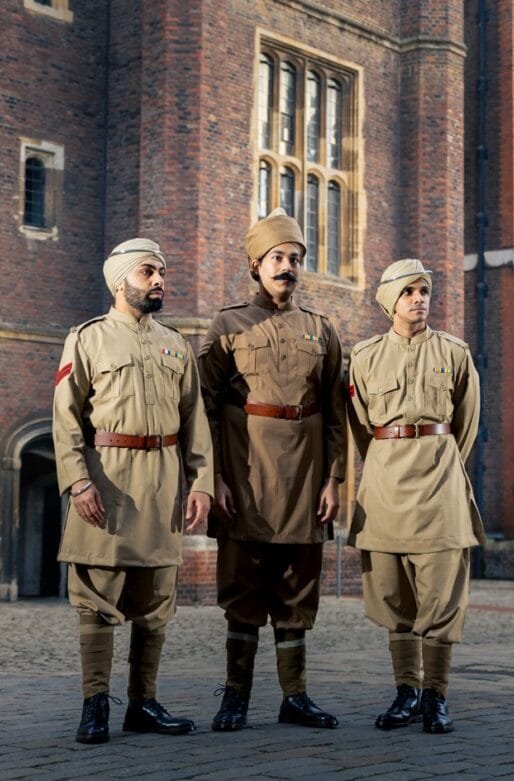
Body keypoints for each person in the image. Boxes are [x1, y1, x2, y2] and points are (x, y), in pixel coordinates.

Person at [53, 238, 214, 744]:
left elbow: (195, 421)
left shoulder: (176, 345)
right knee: (97, 599)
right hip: (107, 482)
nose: (160, 281)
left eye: (161, 273)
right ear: (121, 280)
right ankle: (95, 705)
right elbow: (66, 417)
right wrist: (77, 480)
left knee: (156, 601)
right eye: (149, 272)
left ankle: (143, 703)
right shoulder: (87, 339)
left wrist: (201, 484)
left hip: (163, 483)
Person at [197, 208, 346, 731]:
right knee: (243, 587)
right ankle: (235, 695)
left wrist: (333, 480)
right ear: (256, 265)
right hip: (245, 477)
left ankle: (295, 696)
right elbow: (205, 407)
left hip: (305, 477)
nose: (288, 267)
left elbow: (335, 413)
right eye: (278, 258)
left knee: (297, 588)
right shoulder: (228, 324)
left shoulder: (322, 330)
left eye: (296, 258)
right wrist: (212, 477)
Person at [346, 259, 483, 735]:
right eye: (408, 292)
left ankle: (436, 696)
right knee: (393, 596)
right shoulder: (363, 357)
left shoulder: (455, 351)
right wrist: (386, 461)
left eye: (424, 290)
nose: (419, 299)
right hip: (384, 486)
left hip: (440, 485)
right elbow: (361, 427)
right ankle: (406, 691)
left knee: (442, 596)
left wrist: (439, 459)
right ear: (389, 301)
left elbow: (465, 425)